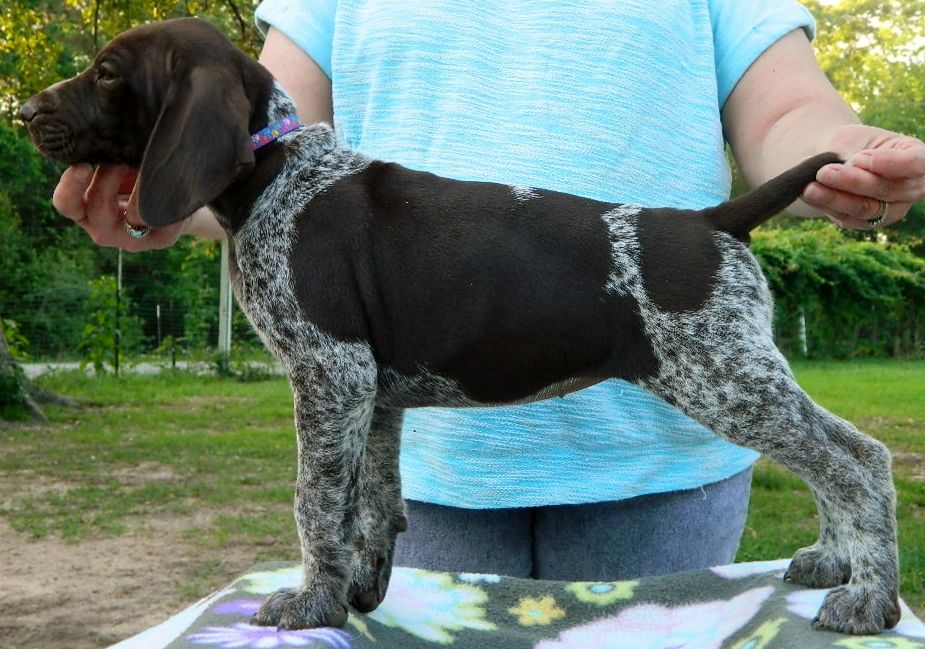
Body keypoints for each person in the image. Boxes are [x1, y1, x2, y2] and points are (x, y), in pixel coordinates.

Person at [53, 1, 925, 581]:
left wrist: (840, 152)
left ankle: (857, 513)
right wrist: (160, 201)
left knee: (783, 424)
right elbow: (262, 130)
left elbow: (784, 114)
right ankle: (354, 557)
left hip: (658, 444)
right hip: (443, 483)